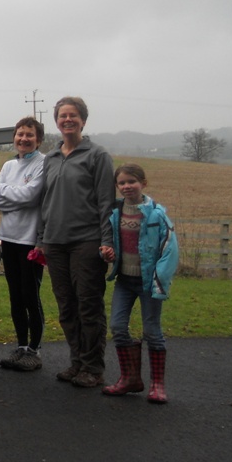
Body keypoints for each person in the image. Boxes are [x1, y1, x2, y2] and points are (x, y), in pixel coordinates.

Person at [36, 96, 115, 389]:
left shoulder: (97, 155)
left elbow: (106, 202)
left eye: (73, 115)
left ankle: (94, 368)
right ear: (56, 121)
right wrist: (41, 239)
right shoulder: (52, 158)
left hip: (87, 241)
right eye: (62, 116)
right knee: (67, 307)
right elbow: (45, 201)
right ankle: (77, 362)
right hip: (55, 243)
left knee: (89, 306)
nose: (67, 120)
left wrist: (107, 241)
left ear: (83, 120)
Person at [101, 164, 178, 404]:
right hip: (124, 280)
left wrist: (159, 280)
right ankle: (129, 379)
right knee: (118, 326)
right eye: (122, 183)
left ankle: (157, 385)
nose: (126, 186)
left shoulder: (156, 214)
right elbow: (111, 240)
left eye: (131, 182)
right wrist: (107, 252)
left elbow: (169, 249)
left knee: (152, 332)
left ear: (143, 183)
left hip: (148, 282)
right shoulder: (115, 212)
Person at [0, 117, 47, 372]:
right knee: (15, 296)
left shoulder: (43, 164)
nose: (23, 139)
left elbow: (31, 195)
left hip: (29, 241)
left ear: (39, 139)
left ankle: (34, 350)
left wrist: (8, 194)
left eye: (29, 135)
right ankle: (21, 346)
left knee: (30, 296)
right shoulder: (9, 164)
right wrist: (18, 198)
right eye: (20, 134)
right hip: (8, 239)